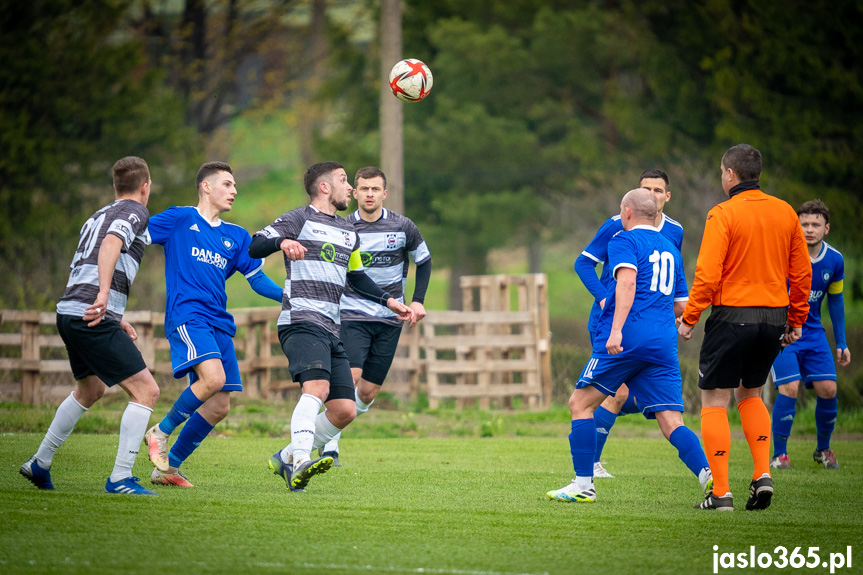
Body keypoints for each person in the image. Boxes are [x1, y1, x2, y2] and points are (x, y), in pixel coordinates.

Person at [249, 161, 414, 492]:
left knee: (344, 409)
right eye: (343, 180)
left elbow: (356, 277)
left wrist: (387, 300)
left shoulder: (348, 232)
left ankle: (285, 457)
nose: (351, 188)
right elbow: (255, 245)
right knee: (317, 390)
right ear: (324, 187)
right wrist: (282, 243)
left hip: (330, 326)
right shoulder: (299, 218)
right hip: (300, 320)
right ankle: (299, 462)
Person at [547, 188, 712, 504]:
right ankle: (711, 479)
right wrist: (686, 324)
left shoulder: (623, 240)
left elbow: (626, 282)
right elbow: (681, 304)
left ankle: (583, 484)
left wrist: (616, 331)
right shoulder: (670, 249)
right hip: (663, 342)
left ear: (626, 213)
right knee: (671, 421)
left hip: (628, 339)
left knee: (580, 404)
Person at [679, 144, 811, 511]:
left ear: (730, 175)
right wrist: (796, 319)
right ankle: (761, 475)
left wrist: (690, 318)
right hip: (773, 317)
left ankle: (720, 492)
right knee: (750, 394)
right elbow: (802, 273)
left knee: (715, 399)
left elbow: (707, 274)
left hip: (732, 315)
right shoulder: (785, 212)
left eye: (722, 172)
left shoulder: (722, 213)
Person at [20, 156, 160, 495]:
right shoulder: (136, 211)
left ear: (114, 187)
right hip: (91, 314)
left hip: (70, 312)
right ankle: (121, 478)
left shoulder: (95, 216)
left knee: (90, 389)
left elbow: (80, 265)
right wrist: (103, 295)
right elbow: (112, 243)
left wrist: (113, 311)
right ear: (146, 187)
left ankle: (39, 464)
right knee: (147, 390)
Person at [142, 162, 284, 487]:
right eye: (227, 184)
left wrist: (289, 297)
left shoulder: (236, 236)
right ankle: (159, 432)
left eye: (235, 186)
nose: (234, 191)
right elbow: (136, 234)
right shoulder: (180, 218)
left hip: (219, 323)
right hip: (189, 317)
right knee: (213, 379)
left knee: (219, 405)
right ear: (206, 187)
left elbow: (257, 279)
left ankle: (167, 469)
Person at [317, 166, 431, 465]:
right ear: (354, 193)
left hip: (391, 318)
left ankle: (333, 423)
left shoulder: (403, 226)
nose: (369, 194)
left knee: (367, 392)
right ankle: (329, 444)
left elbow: (424, 260)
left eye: (375, 189)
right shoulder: (343, 227)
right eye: (363, 189)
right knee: (350, 377)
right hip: (352, 313)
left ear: (384, 193)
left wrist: (417, 301)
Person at [574, 169, 683, 477]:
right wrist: (603, 297)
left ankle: (589, 465)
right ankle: (591, 465)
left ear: (667, 196)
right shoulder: (617, 224)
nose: (652, 194)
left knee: (622, 394)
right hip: (612, 323)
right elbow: (583, 263)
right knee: (617, 392)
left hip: (648, 327)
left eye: (658, 190)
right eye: (646, 188)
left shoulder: (674, 231)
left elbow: (670, 277)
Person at [769, 200, 849, 470]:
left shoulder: (835, 260)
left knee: (829, 389)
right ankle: (780, 455)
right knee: (789, 388)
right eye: (804, 224)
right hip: (785, 332)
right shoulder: (783, 255)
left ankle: (823, 450)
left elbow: (836, 302)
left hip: (814, 333)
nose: (809, 229)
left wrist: (842, 343)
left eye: (815, 224)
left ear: (826, 228)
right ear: (796, 226)